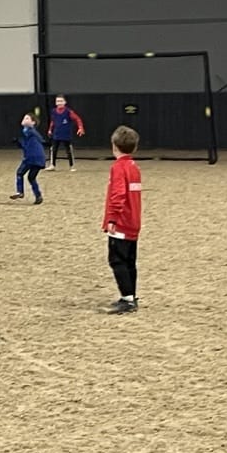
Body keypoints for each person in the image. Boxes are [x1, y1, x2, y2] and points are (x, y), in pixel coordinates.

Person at [103, 125, 144, 314]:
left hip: (121, 222)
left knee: (117, 260)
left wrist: (112, 218)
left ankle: (127, 299)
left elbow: (118, 194)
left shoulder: (118, 168)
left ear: (114, 146)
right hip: (133, 221)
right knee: (129, 261)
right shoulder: (134, 167)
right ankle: (130, 295)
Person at [12, 111, 46, 203]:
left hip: (31, 157)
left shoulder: (29, 131)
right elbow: (26, 145)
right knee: (31, 177)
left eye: (27, 118)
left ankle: (20, 192)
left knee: (20, 173)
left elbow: (30, 141)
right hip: (40, 158)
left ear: (33, 123)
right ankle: (38, 196)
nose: (24, 119)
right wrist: (18, 142)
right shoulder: (30, 132)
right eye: (24, 118)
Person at [45, 95, 85, 170]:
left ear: (65, 102)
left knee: (69, 150)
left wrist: (80, 128)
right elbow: (53, 121)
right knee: (53, 149)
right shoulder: (54, 111)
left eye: (61, 101)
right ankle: (52, 165)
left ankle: (72, 166)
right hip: (56, 134)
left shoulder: (68, 111)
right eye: (57, 101)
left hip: (66, 134)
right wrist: (50, 129)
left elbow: (77, 119)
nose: (59, 103)